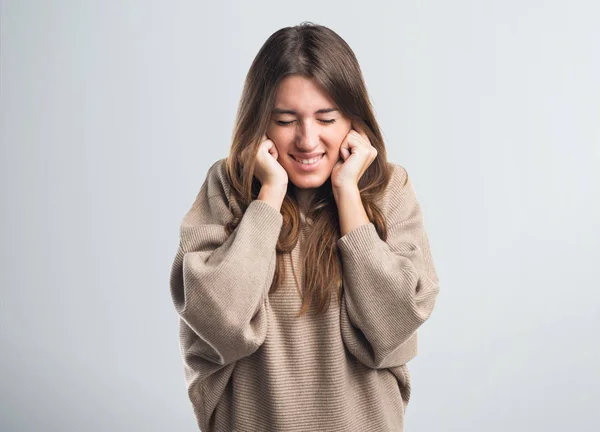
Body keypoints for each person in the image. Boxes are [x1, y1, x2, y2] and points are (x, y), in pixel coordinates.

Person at [169, 21, 440, 432]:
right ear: (259, 122)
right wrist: (269, 197)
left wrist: (348, 193)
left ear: (353, 121)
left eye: (326, 119)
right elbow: (220, 323)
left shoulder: (388, 190)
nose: (307, 140)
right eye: (285, 119)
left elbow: (394, 324)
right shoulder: (227, 189)